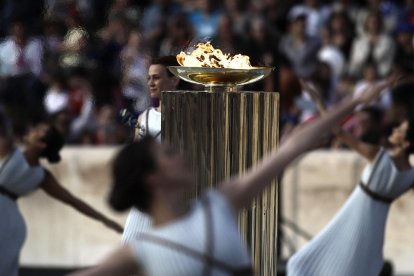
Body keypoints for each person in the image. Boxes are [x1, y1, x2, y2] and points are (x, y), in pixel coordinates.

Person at [69, 76, 392, 276]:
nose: (180, 154)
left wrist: (355, 101)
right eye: (168, 153)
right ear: (152, 179)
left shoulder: (219, 203)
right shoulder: (137, 253)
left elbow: (291, 148)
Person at [287, 78, 413, 276]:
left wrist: (318, 102)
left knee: (302, 263)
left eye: (400, 131)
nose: (395, 129)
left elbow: (338, 132)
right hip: (375, 229)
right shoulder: (410, 175)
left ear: (406, 143)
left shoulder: (378, 156)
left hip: (355, 214)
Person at [0, 115, 123, 276]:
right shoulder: (42, 175)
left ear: (42, 144)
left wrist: (105, 219)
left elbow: (72, 201)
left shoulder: (10, 149)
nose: (32, 131)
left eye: (37, 131)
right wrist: (105, 219)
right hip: (13, 221)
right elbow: (73, 201)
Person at [122, 56, 180, 243]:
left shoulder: (191, 116)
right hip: (148, 197)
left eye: (156, 77)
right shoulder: (143, 118)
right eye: (149, 78)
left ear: (174, 79)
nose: (151, 83)